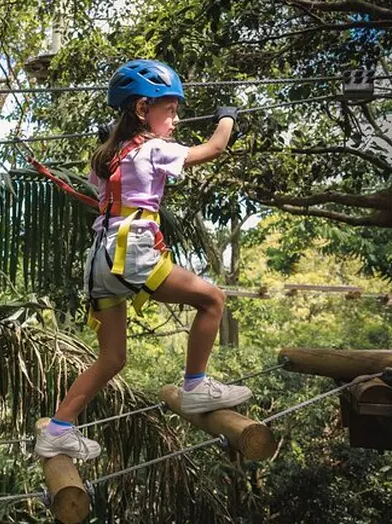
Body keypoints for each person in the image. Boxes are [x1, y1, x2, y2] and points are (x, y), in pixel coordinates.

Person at [35, 59, 252, 460]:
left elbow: (98, 185)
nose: (175, 118)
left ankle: (59, 429)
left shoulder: (110, 155)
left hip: (101, 259)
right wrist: (227, 118)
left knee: (113, 357)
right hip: (132, 252)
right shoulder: (154, 147)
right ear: (141, 110)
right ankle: (196, 385)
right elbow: (214, 148)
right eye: (169, 109)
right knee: (212, 300)